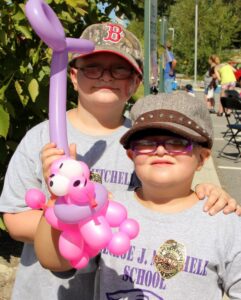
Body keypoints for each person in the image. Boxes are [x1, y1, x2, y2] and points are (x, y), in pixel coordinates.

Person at [0, 22, 239, 300]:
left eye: (119, 69)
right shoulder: (41, 137)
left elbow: (164, 202)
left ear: (135, 82)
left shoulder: (142, 143)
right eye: (93, 67)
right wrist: (73, 213)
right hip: (47, 290)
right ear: (74, 76)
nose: (105, 76)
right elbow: (15, 221)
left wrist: (208, 194)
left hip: (120, 285)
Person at [35, 92, 241, 298]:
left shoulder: (225, 223)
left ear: (202, 158)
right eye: (146, 143)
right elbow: (53, 261)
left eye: (177, 142)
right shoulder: (106, 208)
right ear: (131, 155)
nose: (160, 150)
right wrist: (60, 197)